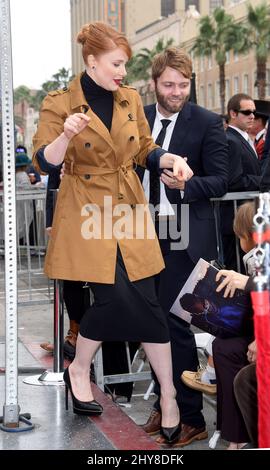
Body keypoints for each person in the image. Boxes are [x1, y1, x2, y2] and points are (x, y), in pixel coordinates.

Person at [32, 22, 193, 444]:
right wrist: (65, 136)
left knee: (147, 300)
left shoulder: (130, 99)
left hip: (128, 204)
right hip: (86, 205)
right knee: (114, 295)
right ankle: (81, 368)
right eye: (117, 63)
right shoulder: (60, 102)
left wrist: (167, 158)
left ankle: (169, 395)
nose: (123, 71)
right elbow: (43, 162)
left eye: (125, 64)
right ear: (92, 61)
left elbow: (143, 147)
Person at [139, 47, 229, 447]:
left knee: (175, 324)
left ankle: (190, 416)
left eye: (184, 84)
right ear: (154, 83)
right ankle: (166, 402)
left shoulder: (208, 122)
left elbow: (221, 180)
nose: (177, 92)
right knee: (147, 321)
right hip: (138, 232)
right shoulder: (137, 118)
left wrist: (186, 186)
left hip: (184, 236)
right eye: (170, 84)